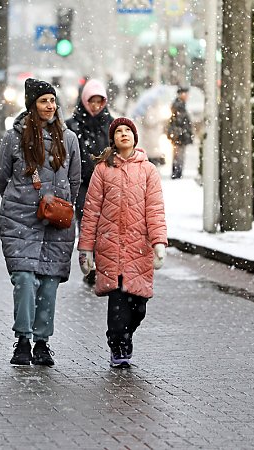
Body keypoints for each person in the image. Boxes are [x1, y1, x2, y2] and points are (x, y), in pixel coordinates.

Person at [0, 78, 81, 366]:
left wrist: (59, 204)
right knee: (24, 278)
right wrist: (21, 201)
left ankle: (42, 343)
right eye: (44, 101)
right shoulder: (13, 138)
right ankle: (22, 340)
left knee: (48, 282)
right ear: (32, 104)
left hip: (57, 223)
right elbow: (1, 177)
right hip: (20, 220)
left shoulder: (68, 139)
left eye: (52, 101)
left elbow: (75, 180)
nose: (50, 106)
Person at [77, 117, 167, 368]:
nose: (124, 134)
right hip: (110, 248)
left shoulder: (148, 170)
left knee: (138, 308)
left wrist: (159, 242)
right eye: (119, 132)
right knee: (118, 306)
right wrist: (86, 249)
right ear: (113, 139)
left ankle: (124, 334)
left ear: (135, 138)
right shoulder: (103, 170)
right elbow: (92, 210)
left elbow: (155, 209)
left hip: (139, 249)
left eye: (128, 131)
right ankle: (118, 344)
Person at [65, 79, 115, 285]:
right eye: (91, 101)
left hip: (106, 182)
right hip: (82, 183)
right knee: (86, 224)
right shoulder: (72, 125)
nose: (95, 106)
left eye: (99, 102)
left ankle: (102, 264)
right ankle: (89, 264)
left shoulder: (111, 124)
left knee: (105, 225)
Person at [167, 86, 194, 179]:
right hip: (179, 135)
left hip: (179, 134)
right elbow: (179, 121)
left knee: (179, 155)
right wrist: (183, 132)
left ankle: (177, 172)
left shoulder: (180, 104)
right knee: (178, 155)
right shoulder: (178, 105)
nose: (187, 96)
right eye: (185, 93)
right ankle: (177, 173)